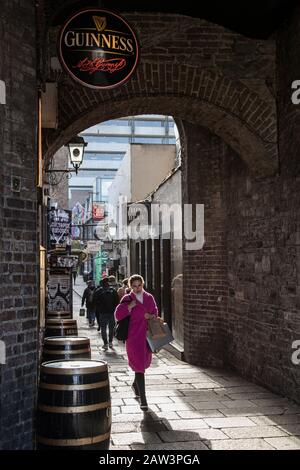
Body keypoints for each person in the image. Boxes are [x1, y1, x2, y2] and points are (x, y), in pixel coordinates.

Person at [114, 274, 159, 411]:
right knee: (139, 366)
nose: (137, 288)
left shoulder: (149, 297)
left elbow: (155, 312)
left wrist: (150, 316)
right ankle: (143, 400)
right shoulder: (127, 299)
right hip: (133, 338)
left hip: (147, 336)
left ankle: (135, 384)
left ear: (142, 284)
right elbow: (117, 315)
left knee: (143, 364)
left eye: (139, 285)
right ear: (130, 286)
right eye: (134, 286)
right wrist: (129, 308)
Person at [94, 277, 119, 350]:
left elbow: (95, 301)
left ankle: (105, 343)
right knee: (111, 328)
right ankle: (110, 342)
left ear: (102, 283)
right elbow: (117, 301)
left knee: (103, 328)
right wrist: (114, 308)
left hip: (102, 313)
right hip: (111, 312)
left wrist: (99, 308)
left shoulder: (98, 291)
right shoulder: (113, 290)